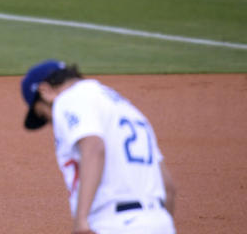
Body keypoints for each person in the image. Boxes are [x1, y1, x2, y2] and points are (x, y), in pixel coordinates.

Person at [21, 60, 176, 234]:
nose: (52, 123)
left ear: (45, 90)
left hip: (115, 224)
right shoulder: (127, 108)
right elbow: (168, 188)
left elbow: (93, 147)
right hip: (160, 222)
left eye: (45, 115)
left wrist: (81, 220)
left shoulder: (68, 99)